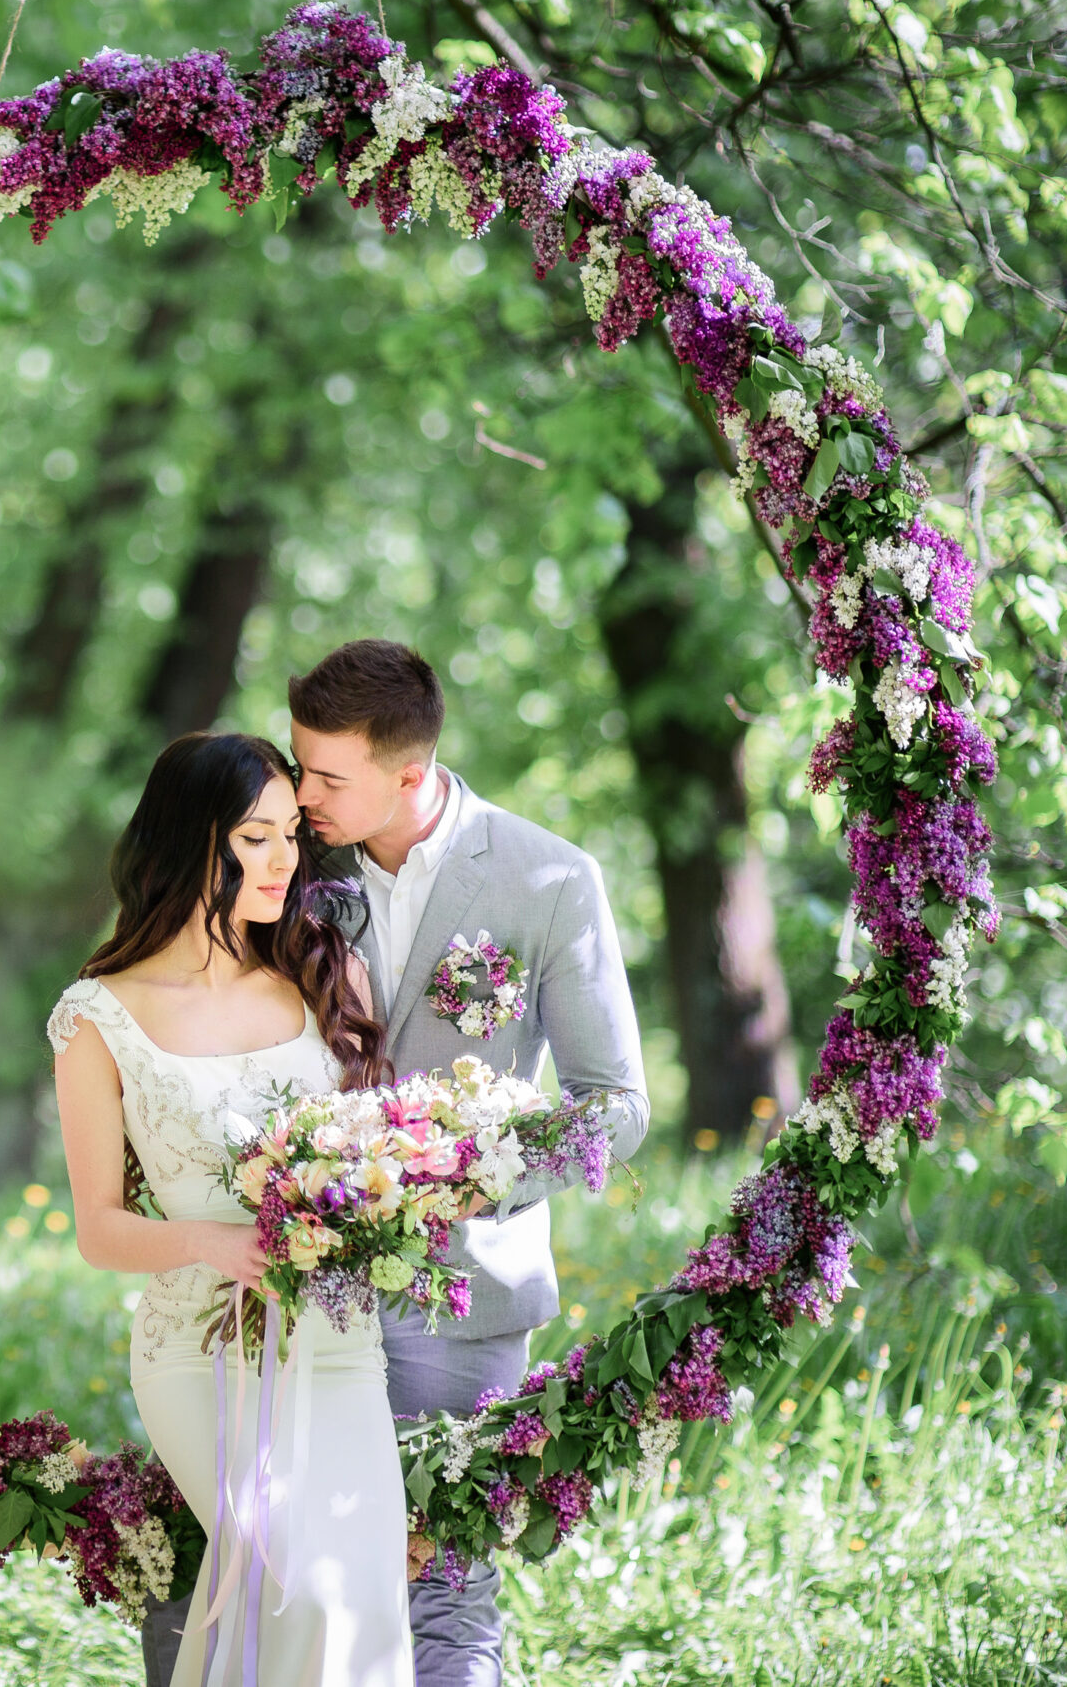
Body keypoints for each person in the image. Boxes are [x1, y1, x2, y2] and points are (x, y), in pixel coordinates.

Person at [282, 638, 649, 1687]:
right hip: (300, 1280)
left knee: (443, 1571)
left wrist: (468, 1168)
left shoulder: (547, 876)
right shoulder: (283, 860)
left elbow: (614, 1102)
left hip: (467, 1290)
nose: (301, 791)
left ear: (410, 772)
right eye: (301, 765)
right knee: (304, 1572)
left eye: (326, 775)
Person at [51, 731, 414, 1687]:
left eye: (292, 832)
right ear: (193, 841)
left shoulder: (324, 975)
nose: (287, 858)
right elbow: (100, 1226)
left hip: (338, 1344)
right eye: (256, 837)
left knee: (360, 1604)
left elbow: (376, 1159)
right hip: (199, 1352)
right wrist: (215, 1239)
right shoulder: (97, 1015)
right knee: (297, 1585)